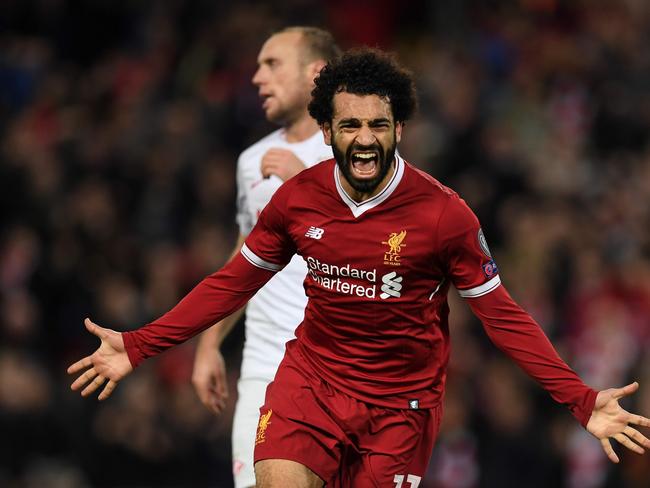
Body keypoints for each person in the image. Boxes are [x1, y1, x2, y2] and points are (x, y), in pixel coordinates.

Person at [68, 48, 650, 487]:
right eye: (350, 126)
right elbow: (231, 284)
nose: (365, 139)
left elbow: (502, 317)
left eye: (378, 125)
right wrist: (139, 344)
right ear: (327, 131)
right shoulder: (297, 200)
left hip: (401, 407)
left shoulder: (444, 216)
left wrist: (579, 398)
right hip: (312, 384)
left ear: (399, 128)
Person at [190, 26, 339, 488]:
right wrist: (209, 343)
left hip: (339, 367)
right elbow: (245, 256)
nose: (257, 77)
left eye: (272, 64)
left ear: (317, 73)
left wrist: (306, 185)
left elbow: (382, 249)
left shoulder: (357, 150)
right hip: (264, 366)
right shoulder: (252, 160)